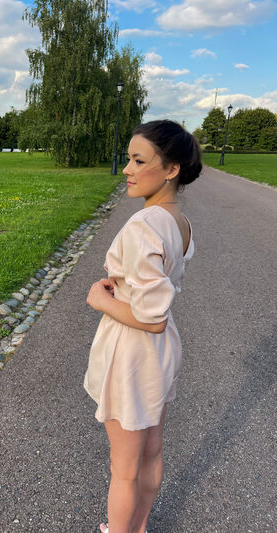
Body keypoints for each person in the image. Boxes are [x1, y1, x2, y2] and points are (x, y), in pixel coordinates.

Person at [84, 119, 202, 533]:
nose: (126, 169)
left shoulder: (144, 225)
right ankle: (138, 527)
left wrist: (101, 300)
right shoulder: (179, 221)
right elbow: (154, 298)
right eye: (129, 159)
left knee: (124, 467)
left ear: (171, 169)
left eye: (138, 160)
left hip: (134, 351)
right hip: (161, 352)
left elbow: (151, 319)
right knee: (150, 452)